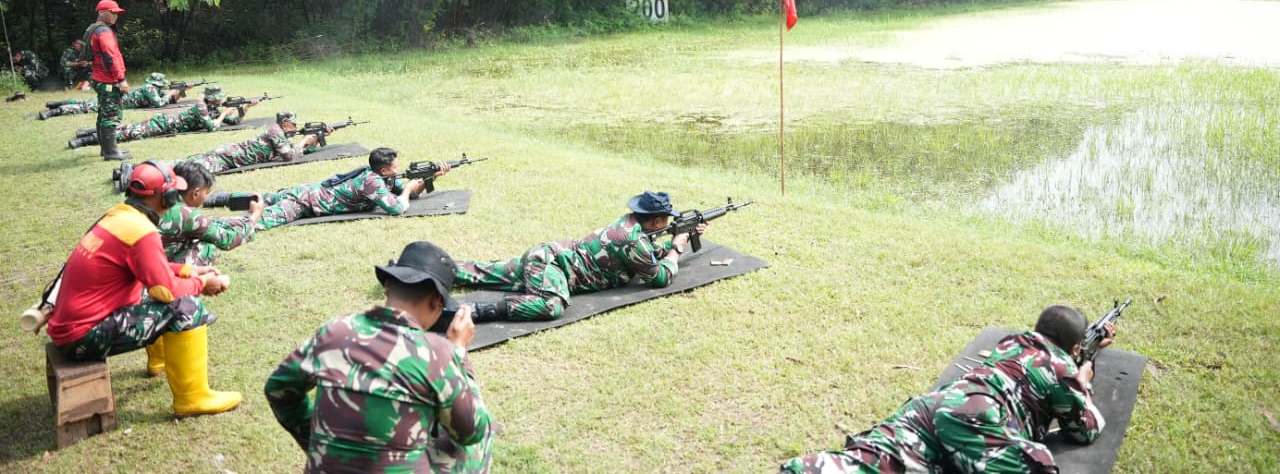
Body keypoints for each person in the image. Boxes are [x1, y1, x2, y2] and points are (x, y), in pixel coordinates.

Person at [778, 305, 1114, 474]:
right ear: (1073, 348)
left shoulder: (1011, 342)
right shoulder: (1062, 368)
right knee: (1038, 464)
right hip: (979, 416)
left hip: (938, 404)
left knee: (885, 456)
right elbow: (1085, 429)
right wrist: (1082, 379)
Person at [265, 240, 495, 472]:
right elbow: (472, 431)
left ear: (387, 286)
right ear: (437, 301)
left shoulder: (334, 332)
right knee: (482, 434)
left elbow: (278, 389)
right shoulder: (436, 353)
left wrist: (317, 442)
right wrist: (458, 351)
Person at [44, 160, 241, 416]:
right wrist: (203, 283)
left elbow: (147, 267)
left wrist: (187, 270)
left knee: (153, 297)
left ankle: (159, 362)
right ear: (167, 196)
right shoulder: (142, 231)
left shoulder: (120, 216)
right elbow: (166, 291)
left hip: (72, 330)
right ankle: (193, 399)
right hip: (82, 337)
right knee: (186, 307)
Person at [453, 190, 707, 322]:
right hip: (554, 268)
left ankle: (444, 267)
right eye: (666, 219)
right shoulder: (632, 240)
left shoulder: (629, 224)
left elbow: (648, 253)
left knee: (481, 273)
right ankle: (481, 310)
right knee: (552, 306)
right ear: (657, 220)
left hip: (548, 255)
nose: (668, 223)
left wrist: (678, 239)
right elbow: (660, 277)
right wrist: (677, 247)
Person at [204, 146, 449, 229]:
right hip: (305, 203)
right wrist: (407, 190)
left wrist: (431, 178)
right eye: (395, 166)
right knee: (263, 218)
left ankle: (220, 198)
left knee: (264, 198)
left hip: (308, 192)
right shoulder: (372, 181)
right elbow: (397, 208)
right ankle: (210, 225)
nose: (398, 169)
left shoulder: (380, 177)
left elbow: (408, 194)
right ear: (384, 170)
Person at [66, 85, 256, 148]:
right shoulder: (201, 107)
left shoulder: (211, 108)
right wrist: (223, 115)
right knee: (126, 134)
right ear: (212, 98)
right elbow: (212, 127)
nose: (221, 100)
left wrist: (245, 108)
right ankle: (83, 141)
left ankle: (85, 134)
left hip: (164, 124)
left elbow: (234, 122)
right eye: (219, 98)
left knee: (125, 130)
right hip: (163, 125)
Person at [160, 160, 264, 269]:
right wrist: (254, 216)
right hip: (161, 270)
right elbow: (226, 240)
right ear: (196, 193)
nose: (206, 198)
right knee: (207, 247)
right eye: (206, 193)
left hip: (151, 260)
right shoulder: (189, 215)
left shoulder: (157, 198)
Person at [176, 111, 330, 176]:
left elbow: (297, 151)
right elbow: (290, 156)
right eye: (293, 124)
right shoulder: (275, 132)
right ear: (285, 124)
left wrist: (316, 139)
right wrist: (303, 141)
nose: (296, 127)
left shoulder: (281, 133)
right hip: (227, 158)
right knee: (187, 169)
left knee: (188, 164)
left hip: (229, 154)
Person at [81, 0, 130, 160]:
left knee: (103, 113)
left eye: (116, 13)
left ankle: (107, 149)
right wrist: (121, 79)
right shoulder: (103, 32)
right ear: (101, 12)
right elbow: (110, 57)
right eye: (112, 13)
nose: (115, 16)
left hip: (99, 77)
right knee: (110, 114)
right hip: (108, 79)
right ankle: (111, 152)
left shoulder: (95, 29)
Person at [40, 71, 183, 119]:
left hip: (117, 99)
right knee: (87, 107)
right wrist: (170, 93)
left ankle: (56, 104)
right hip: (116, 102)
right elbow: (159, 103)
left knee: (86, 102)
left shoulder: (153, 89)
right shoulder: (149, 88)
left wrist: (180, 92)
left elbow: (166, 99)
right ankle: (54, 111)